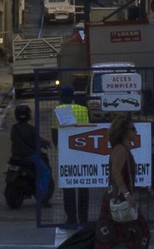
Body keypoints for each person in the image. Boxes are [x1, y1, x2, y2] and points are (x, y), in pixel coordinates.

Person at [102, 113, 149, 249]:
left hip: (119, 199)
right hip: (120, 199)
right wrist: (127, 195)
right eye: (132, 129)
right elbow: (116, 173)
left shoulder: (122, 149)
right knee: (141, 232)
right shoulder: (121, 150)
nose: (135, 131)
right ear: (124, 132)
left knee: (118, 237)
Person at [53, 82, 90, 228]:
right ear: (73, 97)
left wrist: (60, 150)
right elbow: (86, 131)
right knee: (83, 186)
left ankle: (71, 219)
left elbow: (54, 134)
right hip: (82, 152)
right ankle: (84, 218)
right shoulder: (83, 110)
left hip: (66, 153)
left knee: (68, 186)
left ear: (61, 97)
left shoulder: (57, 110)